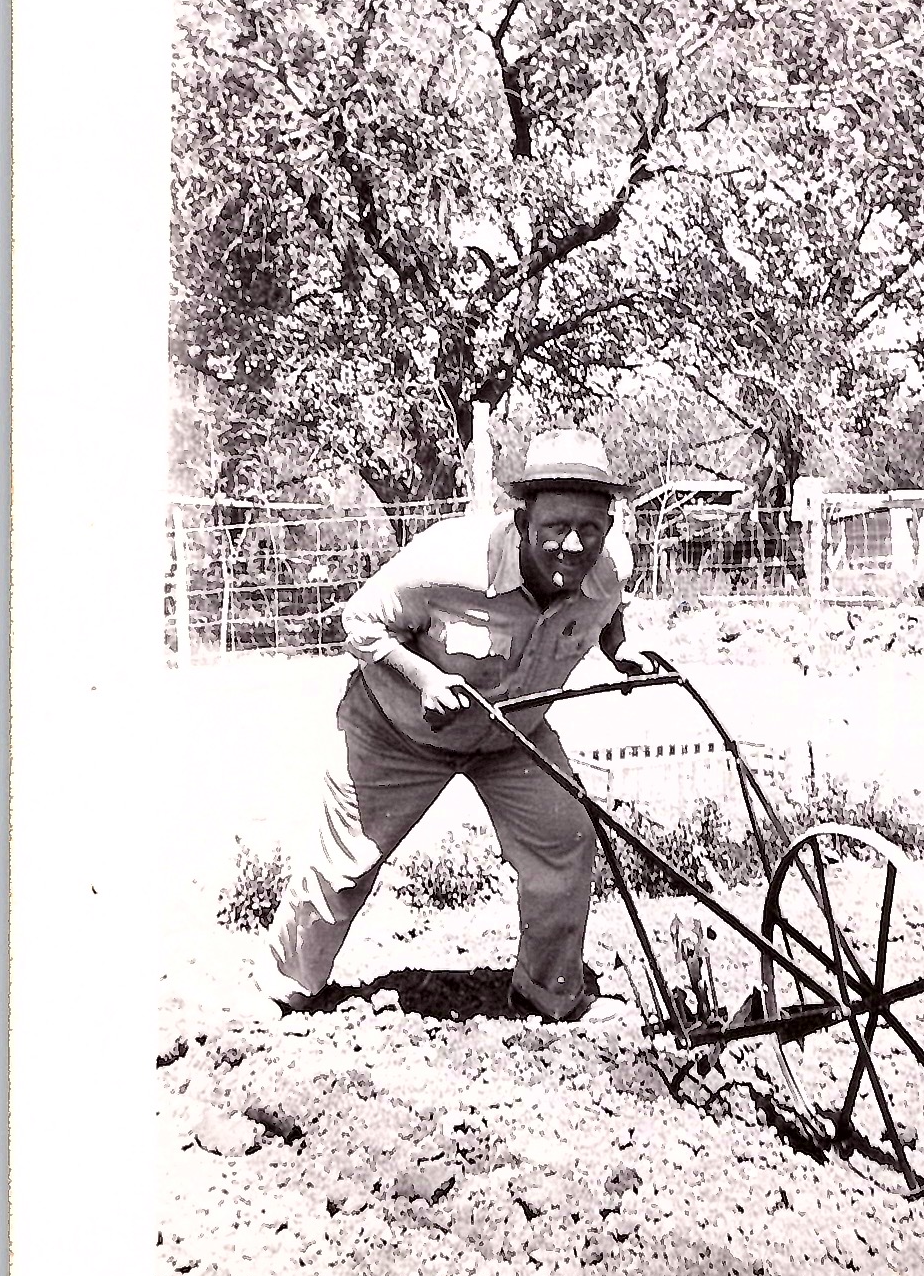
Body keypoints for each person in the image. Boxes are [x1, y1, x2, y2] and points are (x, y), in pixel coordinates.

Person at [262, 429, 658, 1021]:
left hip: (512, 733)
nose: (573, 545)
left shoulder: (609, 564)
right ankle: (286, 987)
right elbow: (360, 623)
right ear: (521, 519)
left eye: (591, 529)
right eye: (555, 528)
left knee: (566, 838)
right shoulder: (448, 559)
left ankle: (548, 993)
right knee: (345, 867)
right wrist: (422, 678)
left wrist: (621, 651)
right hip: (396, 731)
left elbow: (607, 611)